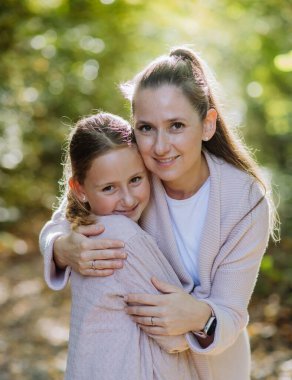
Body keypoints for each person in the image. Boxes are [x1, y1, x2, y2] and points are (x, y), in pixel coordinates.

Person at [40, 47, 278, 380]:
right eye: (147, 128)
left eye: (176, 126)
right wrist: (62, 247)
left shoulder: (245, 201)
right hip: (139, 355)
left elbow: (231, 312)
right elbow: (65, 215)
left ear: (207, 124)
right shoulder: (135, 172)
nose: (160, 147)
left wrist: (196, 315)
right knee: (104, 233)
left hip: (210, 364)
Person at [54, 112, 198, 380]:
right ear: (80, 189)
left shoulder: (86, 229)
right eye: (109, 188)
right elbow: (177, 336)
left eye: (136, 179)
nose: (128, 199)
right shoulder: (120, 236)